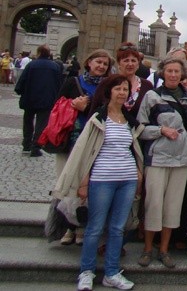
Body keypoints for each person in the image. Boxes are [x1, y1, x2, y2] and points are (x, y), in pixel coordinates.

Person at [52, 74, 143, 291]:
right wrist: (84, 181)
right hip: (102, 178)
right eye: (118, 89)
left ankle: (111, 272)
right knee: (94, 228)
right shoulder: (98, 118)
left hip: (127, 179)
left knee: (117, 228)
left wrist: (139, 173)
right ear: (109, 91)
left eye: (125, 89)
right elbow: (84, 152)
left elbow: (133, 149)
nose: (122, 93)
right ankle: (86, 271)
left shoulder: (129, 119)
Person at [137, 56, 187, 269]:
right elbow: (140, 128)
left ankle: (164, 248)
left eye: (176, 72)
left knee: (173, 206)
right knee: (154, 203)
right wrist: (160, 130)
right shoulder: (152, 96)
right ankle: (147, 248)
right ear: (162, 73)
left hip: (182, 158)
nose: (172, 75)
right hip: (158, 156)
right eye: (169, 71)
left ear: (182, 75)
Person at [56, 49, 114, 245]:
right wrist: (72, 104)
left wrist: (86, 109)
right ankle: (68, 228)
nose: (101, 66)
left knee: (88, 187)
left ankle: (81, 227)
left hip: (95, 142)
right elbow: (57, 106)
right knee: (69, 184)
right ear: (88, 62)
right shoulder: (73, 82)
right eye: (98, 62)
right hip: (72, 139)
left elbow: (107, 113)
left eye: (105, 64)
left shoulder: (107, 88)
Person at [14, 45, 63, 156]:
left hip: (30, 98)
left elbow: (22, 80)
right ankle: (36, 147)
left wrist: (19, 91)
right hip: (47, 99)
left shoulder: (32, 65)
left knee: (28, 121)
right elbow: (59, 84)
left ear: (39, 52)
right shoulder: (55, 66)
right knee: (42, 123)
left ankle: (26, 144)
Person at [90, 43, 153, 117]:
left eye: (133, 60)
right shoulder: (107, 83)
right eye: (126, 60)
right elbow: (94, 111)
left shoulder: (147, 86)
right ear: (119, 63)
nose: (130, 64)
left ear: (138, 64)